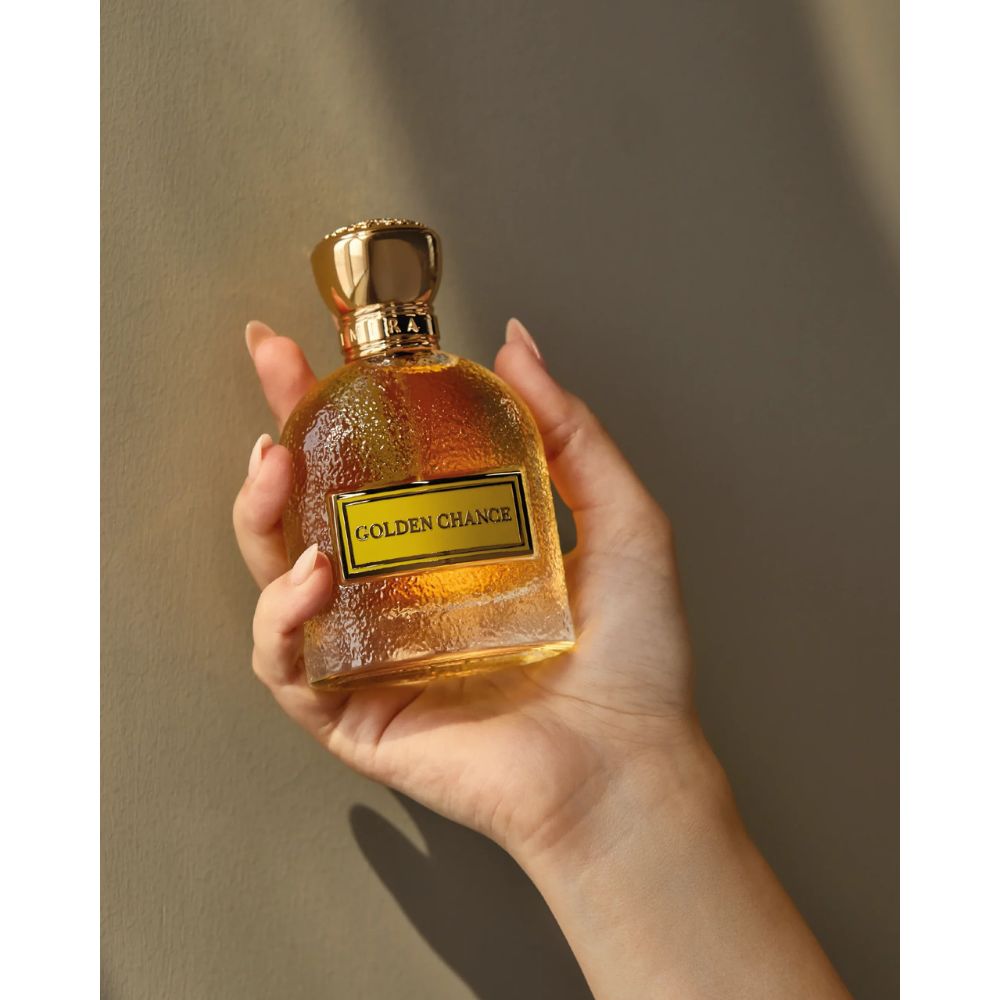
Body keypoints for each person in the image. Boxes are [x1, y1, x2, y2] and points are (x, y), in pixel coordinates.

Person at [233, 316, 851, 999]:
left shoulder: (474, 394)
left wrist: (623, 772)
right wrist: (595, 806)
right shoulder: (353, 413)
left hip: (535, 638)